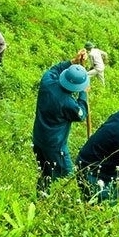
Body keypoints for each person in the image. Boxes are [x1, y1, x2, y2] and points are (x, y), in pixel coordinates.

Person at [33, 50, 90, 195]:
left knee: (45, 172)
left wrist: (72, 62)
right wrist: (84, 93)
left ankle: (41, 196)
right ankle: (57, 202)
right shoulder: (68, 104)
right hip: (55, 146)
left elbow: (55, 69)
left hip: (38, 138)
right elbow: (82, 114)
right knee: (66, 175)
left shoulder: (47, 81)